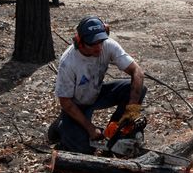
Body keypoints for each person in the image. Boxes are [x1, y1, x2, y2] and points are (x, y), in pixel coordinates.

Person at [48, 15, 146, 154]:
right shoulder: (68, 62)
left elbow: (137, 72)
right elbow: (65, 102)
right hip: (76, 104)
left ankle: (116, 132)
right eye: (92, 44)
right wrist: (90, 128)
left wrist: (132, 110)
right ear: (80, 42)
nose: (98, 48)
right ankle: (61, 125)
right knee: (84, 149)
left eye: (100, 42)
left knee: (139, 88)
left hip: (97, 93)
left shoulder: (108, 45)